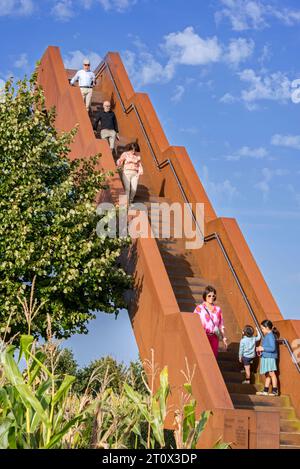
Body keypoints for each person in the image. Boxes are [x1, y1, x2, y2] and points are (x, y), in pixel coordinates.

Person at [193, 285, 228, 358]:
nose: (211, 297)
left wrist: (224, 338)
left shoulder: (218, 309)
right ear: (205, 296)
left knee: (213, 357)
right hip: (203, 336)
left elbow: (221, 325)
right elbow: (193, 322)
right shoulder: (199, 308)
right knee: (203, 357)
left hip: (214, 337)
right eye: (209, 296)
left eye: (213, 296)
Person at [256, 319, 279, 396]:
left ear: (267, 328)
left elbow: (272, 348)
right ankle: (265, 391)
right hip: (266, 357)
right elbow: (267, 347)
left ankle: (275, 390)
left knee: (271, 373)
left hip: (270, 358)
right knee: (267, 375)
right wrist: (260, 349)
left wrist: (263, 348)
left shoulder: (271, 336)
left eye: (262, 328)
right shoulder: (267, 336)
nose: (262, 330)